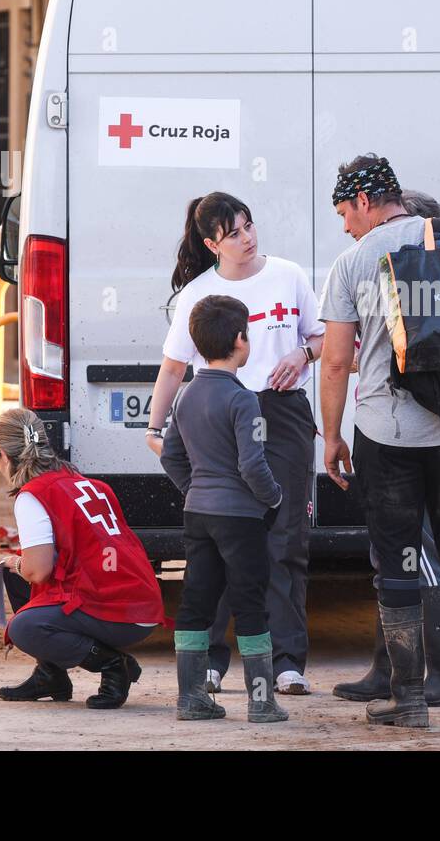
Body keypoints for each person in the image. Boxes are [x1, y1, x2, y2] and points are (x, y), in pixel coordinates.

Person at [318, 154, 440, 729]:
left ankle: (409, 702)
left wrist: (331, 437)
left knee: (399, 563)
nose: (345, 226)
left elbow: (335, 363)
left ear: (361, 201)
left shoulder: (355, 260)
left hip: (389, 433)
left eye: (344, 213)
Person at [147, 193, 322, 696]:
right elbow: (174, 366)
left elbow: (328, 339)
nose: (247, 238)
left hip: (282, 413)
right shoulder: (197, 294)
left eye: (249, 226)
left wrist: (302, 354)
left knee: (285, 538)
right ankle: (211, 661)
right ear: (211, 244)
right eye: (234, 234)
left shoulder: (289, 275)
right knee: (224, 537)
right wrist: (156, 429)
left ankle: (287, 662)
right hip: (222, 412)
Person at [331, 190, 440, 708]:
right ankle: (388, 668)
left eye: (349, 215)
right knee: (391, 555)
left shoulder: (404, 277)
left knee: (420, 554)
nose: (350, 230)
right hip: (407, 430)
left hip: (406, 436)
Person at [160, 294, 289, 723]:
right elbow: (252, 465)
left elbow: (170, 456)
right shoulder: (244, 400)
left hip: (198, 514)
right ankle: (261, 701)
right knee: (250, 603)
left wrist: (193, 489)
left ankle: (191, 697)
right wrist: (273, 498)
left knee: (197, 600)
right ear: (240, 340)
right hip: (241, 517)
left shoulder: (184, 396)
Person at [0, 407, 165, 709]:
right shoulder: (86, 482)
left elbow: (39, 572)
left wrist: (18, 563)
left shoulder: (32, 495)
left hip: (116, 612)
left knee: (23, 627)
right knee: (14, 575)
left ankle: (113, 665)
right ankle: (50, 673)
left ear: (4, 455)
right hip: (141, 602)